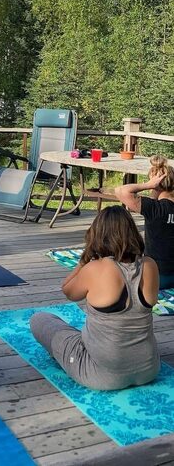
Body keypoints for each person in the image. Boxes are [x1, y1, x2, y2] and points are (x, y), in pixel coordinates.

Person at [30, 206, 160, 391]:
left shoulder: (96, 268)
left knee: (40, 319)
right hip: (149, 369)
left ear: (98, 234)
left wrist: (84, 261)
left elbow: (68, 291)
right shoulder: (150, 265)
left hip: (101, 374)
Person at [115, 155, 174, 288]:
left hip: (156, 277)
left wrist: (146, 185)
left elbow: (120, 191)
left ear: (156, 185)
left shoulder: (155, 208)